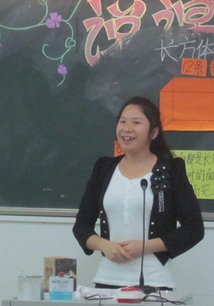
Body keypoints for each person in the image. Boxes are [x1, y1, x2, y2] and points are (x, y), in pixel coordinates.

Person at [73, 96, 204, 290]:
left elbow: (194, 229)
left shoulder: (170, 171)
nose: (127, 129)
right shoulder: (104, 168)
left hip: (154, 281)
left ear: (153, 132)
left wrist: (145, 247)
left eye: (136, 123)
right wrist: (104, 245)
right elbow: (81, 226)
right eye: (122, 121)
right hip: (107, 280)